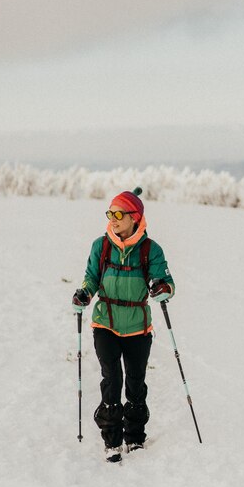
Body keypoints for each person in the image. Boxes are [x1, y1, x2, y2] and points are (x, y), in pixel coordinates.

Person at [72, 187, 175, 463]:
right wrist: (83, 293)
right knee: (112, 379)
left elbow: (165, 280)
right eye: (110, 213)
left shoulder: (150, 250)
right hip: (105, 323)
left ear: (135, 217)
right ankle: (112, 440)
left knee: (135, 383)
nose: (113, 219)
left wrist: (162, 287)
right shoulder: (101, 246)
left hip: (138, 328)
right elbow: (91, 278)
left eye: (119, 213)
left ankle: (135, 436)